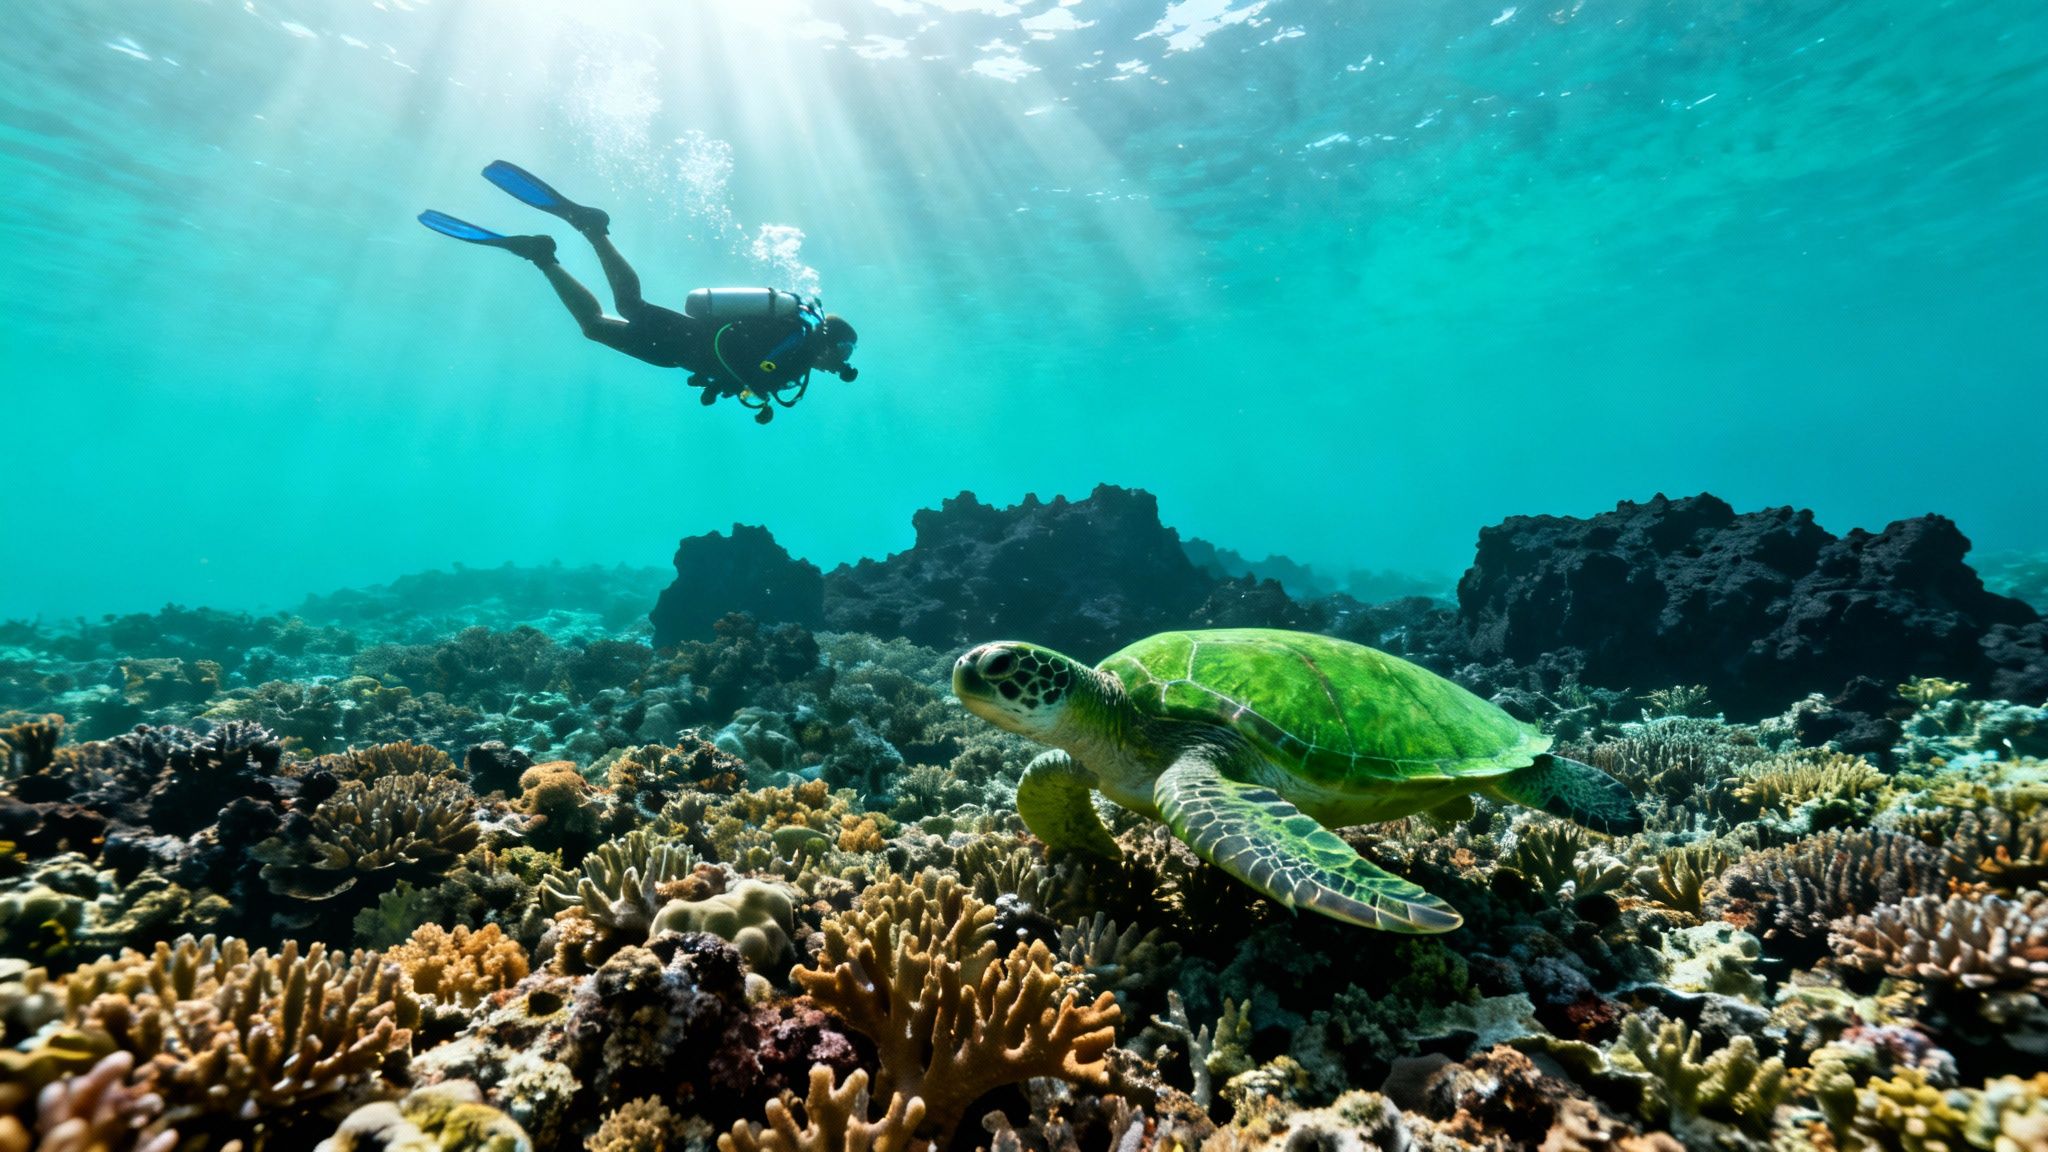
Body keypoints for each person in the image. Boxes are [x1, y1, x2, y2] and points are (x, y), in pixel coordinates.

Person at [419, 161, 858, 425]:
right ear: (832, 344)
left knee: (593, 328)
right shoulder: (798, 346)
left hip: (680, 356)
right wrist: (750, 386)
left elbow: (745, 368)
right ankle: (593, 229)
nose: (836, 366)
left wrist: (741, 386)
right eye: (841, 356)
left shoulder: (797, 350)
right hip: (691, 342)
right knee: (630, 305)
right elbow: (740, 356)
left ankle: (542, 256)